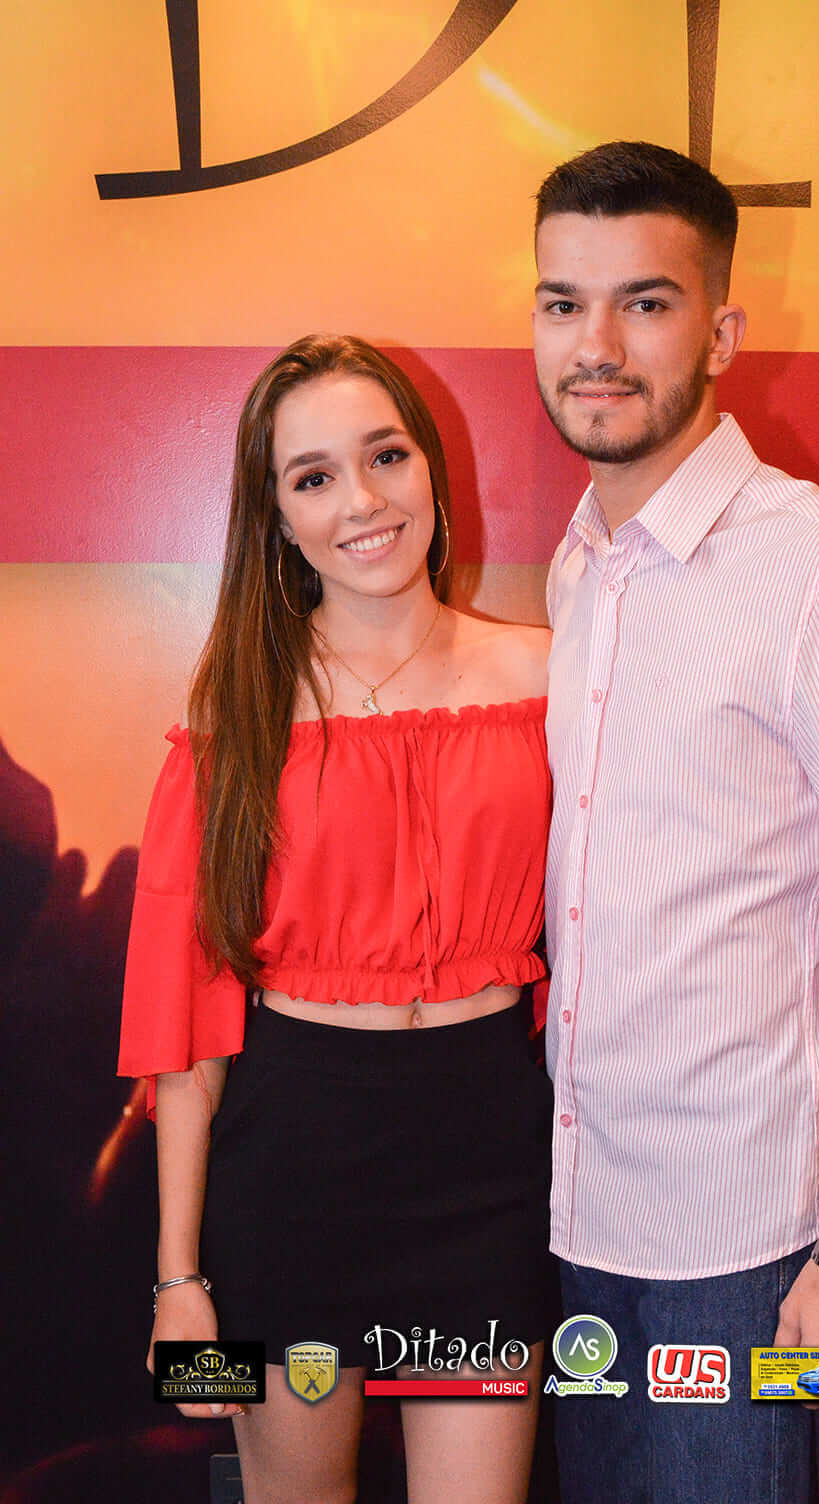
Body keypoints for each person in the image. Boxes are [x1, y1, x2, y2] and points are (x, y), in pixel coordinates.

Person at [532, 141, 819, 1503]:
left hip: (759, 1261)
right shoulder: (579, 566)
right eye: (563, 303)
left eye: (645, 302)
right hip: (581, 1229)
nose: (596, 346)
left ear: (723, 332)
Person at [118, 334, 554, 1504]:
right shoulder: (235, 718)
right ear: (277, 517)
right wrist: (178, 1282)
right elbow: (187, 1024)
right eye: (313, 477)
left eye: (385, 455)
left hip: (487, 1171)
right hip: (289, 1177)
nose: (361, 501)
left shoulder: (550, 680)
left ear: (431, 470)